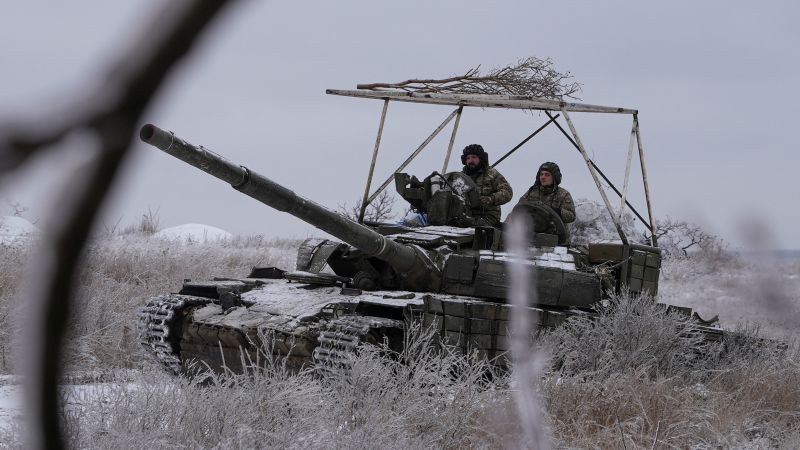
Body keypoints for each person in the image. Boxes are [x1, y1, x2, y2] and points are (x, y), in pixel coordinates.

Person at [460, 144, 513, 226]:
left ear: (481, 158)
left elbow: (507, 192)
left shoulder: (492, 174)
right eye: (468, 158)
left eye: (474, 157)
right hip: (466, 215)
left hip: (488, 216)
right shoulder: (461, 177)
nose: (470, 161)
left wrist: (489, 199)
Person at [517, 161, 575, 232]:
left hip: (556, 237)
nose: (543, 177)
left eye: (547, 175)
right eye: (541, 174)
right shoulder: (532, 191)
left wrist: (555, 212)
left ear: (555, 177)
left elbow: (571, 216)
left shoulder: (563, 194)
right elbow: (519, 207)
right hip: (531, 233)